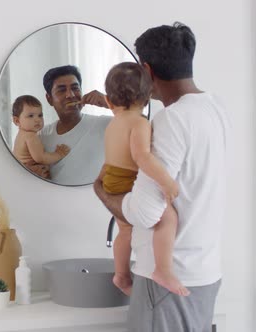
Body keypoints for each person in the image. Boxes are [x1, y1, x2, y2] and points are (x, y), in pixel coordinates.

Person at [92, 23, 230, 332]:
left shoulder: (171, 119)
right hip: (205, 271)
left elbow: (145, 212)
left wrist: (101, 191)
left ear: (146, 69)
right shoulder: (216, 108)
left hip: (167, 279)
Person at [99, 61, 189, 297]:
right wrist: (166, 182)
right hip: (126, 180)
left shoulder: (112, 124)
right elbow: (142, 158)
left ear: (108, 101)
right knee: (167, 217)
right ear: (148, 97)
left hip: (112, 180)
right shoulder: (139, 123)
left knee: (125, 231)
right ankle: (163, 269)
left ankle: (121, 275)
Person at [39, 65, 112, 185]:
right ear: (49, 99)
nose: (71, 95)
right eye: (62, 90)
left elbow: (144, 126)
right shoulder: (41, 136)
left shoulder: (106, 124)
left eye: (75, 88)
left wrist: (109, 102)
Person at [11, 95, 70, 179]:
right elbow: (41, 158)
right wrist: (58, 154)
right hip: (30, 171)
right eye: (31, 116)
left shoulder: (21, 134)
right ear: (17, 121)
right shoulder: (30, 136)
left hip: (21, 171)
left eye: (40, 115)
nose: (37, 119)